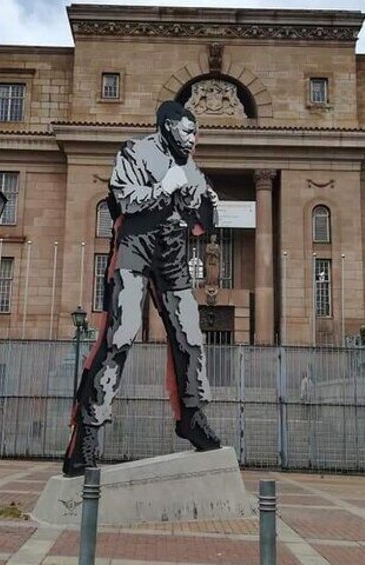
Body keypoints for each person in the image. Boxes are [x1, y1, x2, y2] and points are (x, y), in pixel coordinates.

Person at [63, 101, 222, 477]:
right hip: (135, 247)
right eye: (188, 131)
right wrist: (162, 188)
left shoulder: (191, 166)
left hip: (172, 252)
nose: (193, 138)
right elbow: (122, 199)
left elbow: (202, 222)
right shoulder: (135, 150)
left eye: (196, 133)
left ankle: (191, 416)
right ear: (168, 127)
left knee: (190, 333)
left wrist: (208, 207)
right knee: (122, 333)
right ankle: (87, 431)